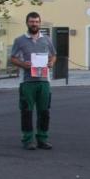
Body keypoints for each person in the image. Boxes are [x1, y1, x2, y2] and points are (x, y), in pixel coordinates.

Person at [11, 12, 56, 150]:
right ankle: (28, 140)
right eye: (32, 21)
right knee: (27, 111)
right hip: (27, 82)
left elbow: (53, 55)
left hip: (44, 81)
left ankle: (42, 139)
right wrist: (23, 64)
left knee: (44, 112)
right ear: (27, 23)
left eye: (36, 21)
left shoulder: (47, 39)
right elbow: (13, 58)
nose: (34, 24)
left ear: (40, 23)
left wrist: (51, 63)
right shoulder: (19, 40)